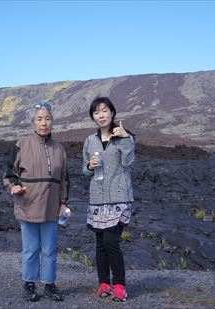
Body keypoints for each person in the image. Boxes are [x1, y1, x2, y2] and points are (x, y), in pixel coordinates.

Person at [3, 102, 69, 302]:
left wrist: (63, 203)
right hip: (28, 205)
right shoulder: (21, 144)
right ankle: (29, 283)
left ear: (52, 121)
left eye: (47, 118)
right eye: (39, 119)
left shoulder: (60, 149)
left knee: (49, 249)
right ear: (33, 122)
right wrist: (13, 186)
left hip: (51, 206)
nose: (44, 123)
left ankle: (49, 285)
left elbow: (64, 180)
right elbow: (9, 173)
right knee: (31, 249)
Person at [82, 97, 135, 302]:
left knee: (111, 241)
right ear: (93, 117)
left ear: (112, 112)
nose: (101, 115)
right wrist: (89, 167)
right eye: (96, 112)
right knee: (100, 243)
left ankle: (120, 286)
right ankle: (103, 283)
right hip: (97, 198)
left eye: (104, 111)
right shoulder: (90, 140)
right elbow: (84, 170)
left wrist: (125, 139)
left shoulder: (124, 136)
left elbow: (128, 161)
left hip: (119, 197)